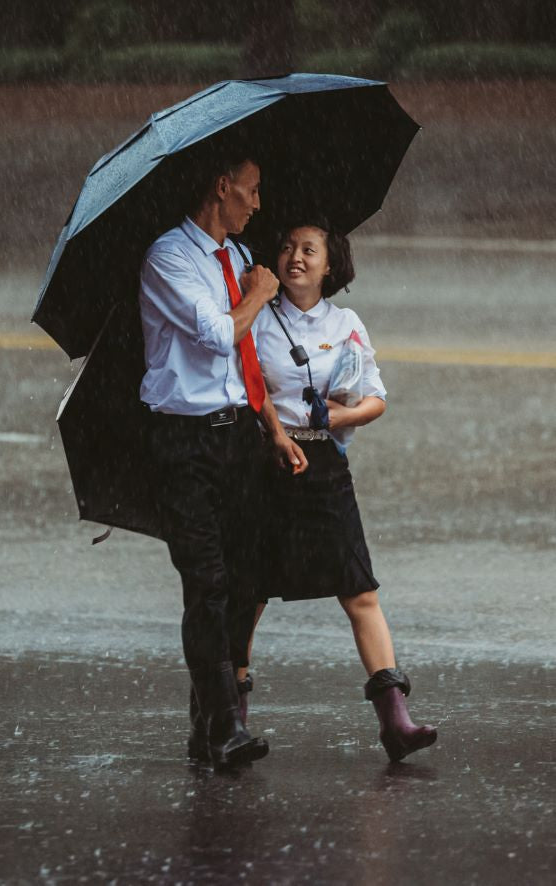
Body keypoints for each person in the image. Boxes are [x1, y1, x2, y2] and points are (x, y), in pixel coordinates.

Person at [240, 221, 437, 763]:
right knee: (249, 593)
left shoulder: (346, 323)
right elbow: (245, 382)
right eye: (287, 248)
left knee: (359, 590)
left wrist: (344, 413)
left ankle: (395, 720)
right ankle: (227, 718)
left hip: (325, 465)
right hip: (267, 464)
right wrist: (276, 434)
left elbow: (375, 398)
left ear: (331, 265)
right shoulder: (257, 316)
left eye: (309, 250)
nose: (295, 258)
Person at [138, 151, 308, 769]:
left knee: (242, 582)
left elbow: (248, 363)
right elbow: (217, 334)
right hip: (185, 442)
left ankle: (208, 724)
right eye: (253, 191)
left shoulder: (237, 258)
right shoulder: (170, 258)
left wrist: (274, 428)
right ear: (222, 187)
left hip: (239, 437)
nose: (258, 204)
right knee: (205, 581)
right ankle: (223, 724)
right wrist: (261, 293)